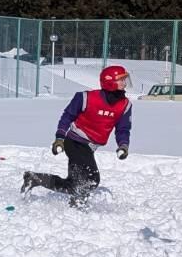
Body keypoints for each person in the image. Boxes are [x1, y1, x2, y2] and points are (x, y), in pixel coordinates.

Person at [22, 64, 132, 208]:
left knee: (74, 183)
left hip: (90, 147)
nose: (125, 83)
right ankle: (77, 205)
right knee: (92, 179)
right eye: (121, 80)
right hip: (74, 142)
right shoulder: (85, 97)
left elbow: (123, 128)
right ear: (110, 82)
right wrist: (59, 138)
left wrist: (123, 145)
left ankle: (35, 179)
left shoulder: (125, 105)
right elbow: (67, 117)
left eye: (125, 79)